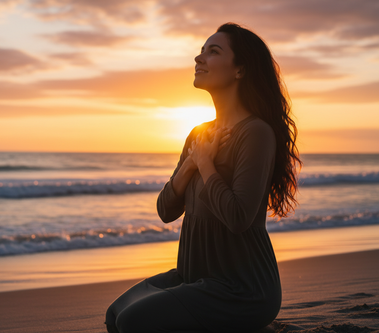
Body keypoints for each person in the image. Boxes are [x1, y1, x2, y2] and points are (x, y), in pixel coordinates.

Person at [105, 22, 301, 333]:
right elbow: (166, 211)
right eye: (201, 51)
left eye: (213, 51)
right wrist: (190, 165)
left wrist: (206, 164)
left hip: (242, 288)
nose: (199, 58)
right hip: (192, 278)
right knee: (115, 315)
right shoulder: (198, 134)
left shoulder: (256, 133)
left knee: (133, 322)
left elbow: (238, 217)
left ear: (240, 70)